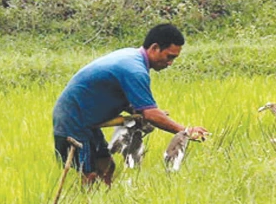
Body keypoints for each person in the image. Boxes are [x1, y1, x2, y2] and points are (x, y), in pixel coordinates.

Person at [53, 23, 209, 185]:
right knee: (90, 174)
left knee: (106, 167)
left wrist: (147, 113)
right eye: (169, 57)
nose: (170, 63)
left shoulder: (132, 58)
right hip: (73, 123)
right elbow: (150, 113)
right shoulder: (134, 70)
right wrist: (185, 131)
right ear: (155, 48)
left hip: (83, 120)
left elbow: (134, 104)